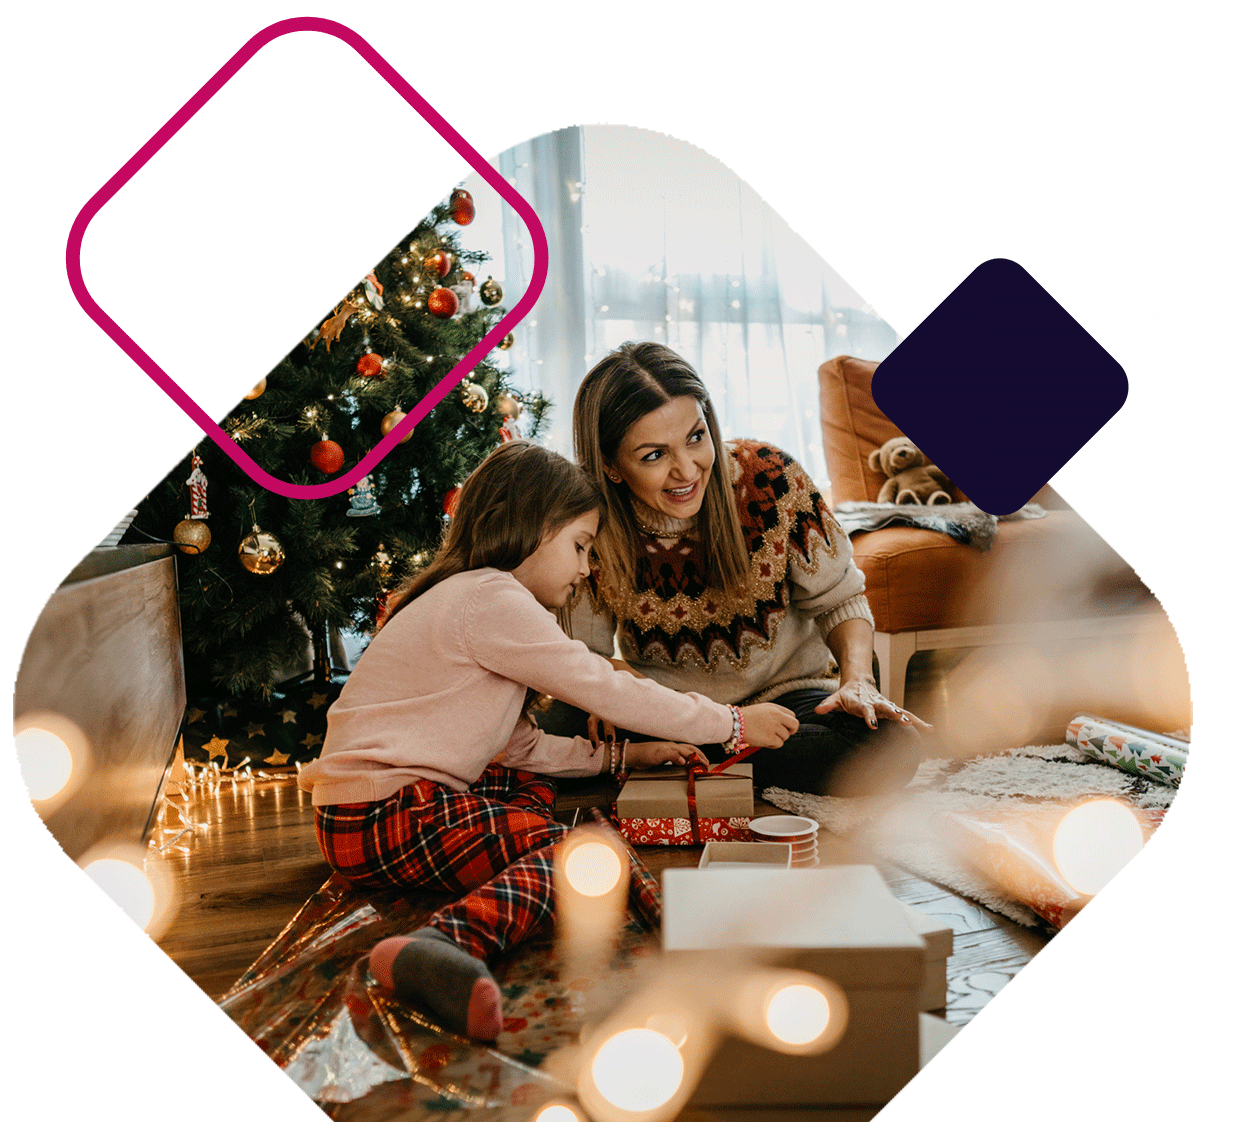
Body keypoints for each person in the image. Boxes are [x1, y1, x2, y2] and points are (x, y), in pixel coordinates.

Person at [297, 440, 797, 1040]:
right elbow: (606, 689)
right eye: (580, 547)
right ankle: (437, 945)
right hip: (380, 813)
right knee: (582, 857)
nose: (586, 570)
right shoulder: (492, 598)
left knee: (530, 785)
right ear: (530, 527)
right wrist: (733, 724)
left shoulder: (469, 599)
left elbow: (519, 749)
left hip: (366, 812)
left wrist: (622, 755)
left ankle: (531, 862)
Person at [555, 341, 928, 798]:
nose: (686, 469)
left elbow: (842, 597)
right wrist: (621, 693)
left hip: (789, 702)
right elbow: (584, 656)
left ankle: (692, 763)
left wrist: (858, 681)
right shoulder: (592, 526)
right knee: (556, 726)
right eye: (654, 455)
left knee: (891, 746)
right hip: (674, 711)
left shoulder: (769, 478)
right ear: (611, 466)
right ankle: (716, 755)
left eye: (695, 437)